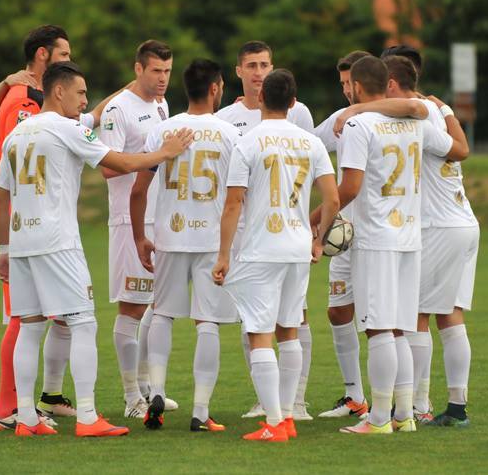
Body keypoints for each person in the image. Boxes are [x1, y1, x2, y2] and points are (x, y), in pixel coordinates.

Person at [0, 61, 193, 436]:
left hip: (22, 243)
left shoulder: (17, 134)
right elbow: (122, 161)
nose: (86, 101)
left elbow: (0, 198)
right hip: (57, 242)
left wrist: (3, 249)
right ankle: (87, 417)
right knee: (84, 322)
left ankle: (26, 418)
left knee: (31, 328)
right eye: (81, 93)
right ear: (59, 91)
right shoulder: (68, 129)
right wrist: (164, 153)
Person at [312, 56, 468, 435]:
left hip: (376, 238)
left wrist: (317, 219)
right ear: (388, 85)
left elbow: (350, 187)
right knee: (399, 328)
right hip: (411, 237)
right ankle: (404, 415)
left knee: (379, 329)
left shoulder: (358, 124)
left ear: (357, 87)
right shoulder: (416, 121)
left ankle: (380, 418)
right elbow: (455, 147)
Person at [212, 69, 340, 442]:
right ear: (294, 102)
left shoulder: (248, 142)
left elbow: (233, 204)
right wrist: (318, 241)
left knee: (259, 334)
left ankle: (273, 422)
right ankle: (287, 415)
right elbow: (332, 199)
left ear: (261, 99)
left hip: (261, 248)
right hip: (298, 247)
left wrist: (223, 255)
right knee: (289, 331)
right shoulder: (311, 142)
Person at [130, 59, 241, 432]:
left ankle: (157, 392)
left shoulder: (163, 130)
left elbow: (138, 191)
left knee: (162, 314)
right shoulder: (230, 134)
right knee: (207, 321)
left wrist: (140, 236)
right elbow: (239, 196)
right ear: (215, 88)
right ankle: (200, 411)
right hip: (212, 239)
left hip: (170, 235)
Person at [216, 41, 315, 420]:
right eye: (252, 65)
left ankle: (294, 402)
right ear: (238, 71)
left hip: (283, 232)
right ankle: (268, 401)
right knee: (254, 319)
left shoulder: (299, 113)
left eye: (264, 65)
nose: (259, 72)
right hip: (248, 231)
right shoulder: (226, 118)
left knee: (292, 318)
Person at [383, 55, 478, 427]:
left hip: (439, 226)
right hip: (464, 222)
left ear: (392, 83)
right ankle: (457, 408)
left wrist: (355, 109)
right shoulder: (437, 111)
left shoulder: (415, 115)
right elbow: (462, 147)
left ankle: (417, 405)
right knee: (450, 315)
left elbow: (460, 150)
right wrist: (447, 109)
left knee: (415, 315)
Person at [0, 25, 76, 431]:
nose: (69, 62)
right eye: (63, 55)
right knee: (22, 318)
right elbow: (18, 168)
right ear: (43, 55)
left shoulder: (24, 93)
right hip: (27, 224)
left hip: (38, 226)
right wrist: (4, 247)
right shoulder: (25, 102)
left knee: (53, 315)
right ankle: (7, 408)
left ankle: (45, 398)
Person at [99, 40, 179, 417]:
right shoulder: (118, 109)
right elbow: (107, 166)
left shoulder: (162, 105)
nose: (162, 78)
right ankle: (131, 395)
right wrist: (156, 156)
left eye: (167, 71)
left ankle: (147, 387)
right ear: (138, 69)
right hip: (128, 219)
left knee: (156, 306)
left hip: (158, 217)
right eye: (156, 71)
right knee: (132, 307)